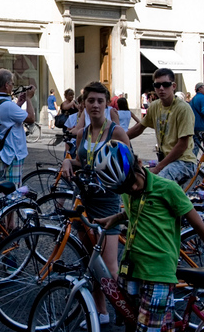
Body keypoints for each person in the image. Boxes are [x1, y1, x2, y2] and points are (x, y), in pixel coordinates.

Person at [95, 141, 204, 332]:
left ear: (139, 163)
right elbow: (137, 211)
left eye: (133, 182)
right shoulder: (127, 190)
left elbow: (199, 226)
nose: (133, 189)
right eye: (126, 189)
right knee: (132, 323)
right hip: (132, 269)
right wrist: (117, 218)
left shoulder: (168, 189)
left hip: (158, 274)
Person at [60, 81, 130, 327]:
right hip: (85, 201)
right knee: (93, 264)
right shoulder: (82, 133)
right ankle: (102, 313)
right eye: (91, 101)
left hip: (108, 203)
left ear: (107, 104)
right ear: (84, 104)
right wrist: (69, 162)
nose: (96, 105)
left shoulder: (116, 132)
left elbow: (130, 170)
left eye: (100, 101)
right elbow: (81, 161)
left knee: (109, 266)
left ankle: (127, 309)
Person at [127, 68, 197, 186]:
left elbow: (183, 145)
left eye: (165, 84)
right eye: (157, 85)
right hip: (166, 160)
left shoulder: (183, 109)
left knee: (157, 185)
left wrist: (159, 167)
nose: (161, 88)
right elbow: (139, 128)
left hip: (183, 161)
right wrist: (115, 137)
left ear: (173, 86)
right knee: (137, 179)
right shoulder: (155, 106)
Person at [0, 69, 34, 187]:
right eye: (12, 84)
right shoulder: (9, 106)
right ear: (6, 85)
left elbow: (7, 118)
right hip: (12, 154)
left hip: (0, 153)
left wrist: (18, 104)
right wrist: (29, 99)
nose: (12, 86)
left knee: (1, 188)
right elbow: (31, 118)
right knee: (13, 193)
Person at [190, 82, 204, 158]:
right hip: (203, 127)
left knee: (195, 147)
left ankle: (192, 165)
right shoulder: (203, 98)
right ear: (200, 89)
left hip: (194, 126)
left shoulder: (193, 99)